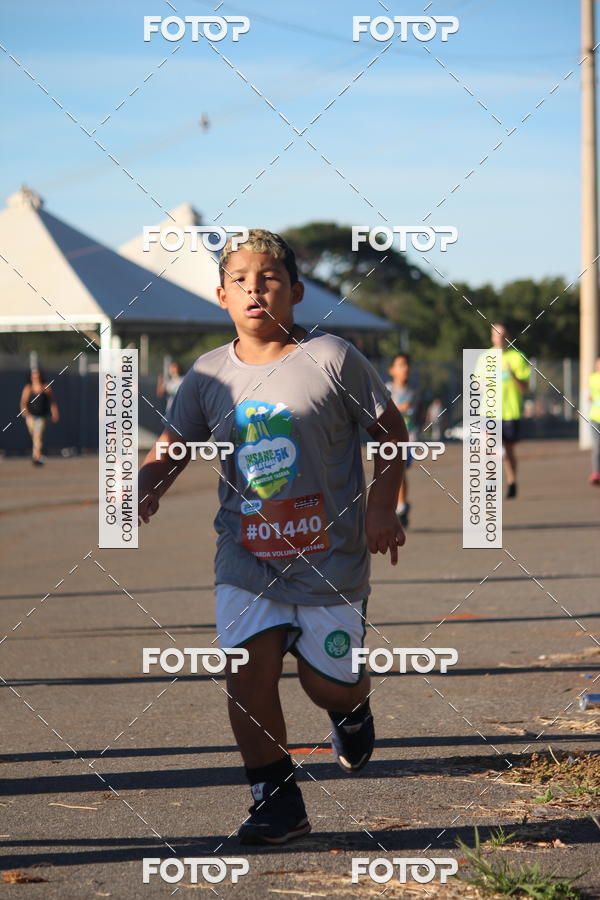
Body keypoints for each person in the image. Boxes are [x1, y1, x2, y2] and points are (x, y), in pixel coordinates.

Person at [138, 229, 408, 845]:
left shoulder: (333, 359)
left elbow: (391, 435)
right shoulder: (207, 374)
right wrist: (147, 483)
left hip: (330, 558)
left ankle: (351, 707)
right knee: (246, 674)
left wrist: (381, 509)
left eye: (269, 279)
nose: (254, 289)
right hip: (246, 557)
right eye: (240, 281)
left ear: (297, 292)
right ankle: (278, 801)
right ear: (221, 295)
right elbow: (173, 447)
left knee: (325, 683)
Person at [490, 323, 530, 499]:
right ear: (492, 337)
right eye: (496, 334)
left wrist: (512, 375)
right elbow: (475, 383)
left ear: (507, 336)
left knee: (508, 450)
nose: (499, 337)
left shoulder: (518, 357)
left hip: (510, 411)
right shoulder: (485, 357)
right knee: (489, 446)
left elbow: (525, 387)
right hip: (489, 411)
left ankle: (512, 480)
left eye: (502, 334)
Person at [386, 353, 418, 527]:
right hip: (389, 438)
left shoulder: (412, 391)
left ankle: (401, 506)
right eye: (400, 365)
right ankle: (401, 506)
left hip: (408, 438)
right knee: (396, 473)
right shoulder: (387, 390)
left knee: (400, 471)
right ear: (392, 370)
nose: (405, 368)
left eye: (406, 365)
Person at [20, 367, 59, 465]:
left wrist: (55, 412)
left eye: (37, 374)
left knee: (38, 436)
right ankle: (36, 454)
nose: (36, 377)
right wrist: (24, 411)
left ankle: (36, 457)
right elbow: (23, 402)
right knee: (35, 437)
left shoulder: (46, 387)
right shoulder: (28, 388)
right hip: (30, 417)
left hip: (41, 417)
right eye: (34, 374)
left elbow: (52, 402)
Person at [588, 356, 600, 485]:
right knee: (597, 446)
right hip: (595, 417)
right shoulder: (593, 378)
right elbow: (590, 396)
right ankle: (596, 473)